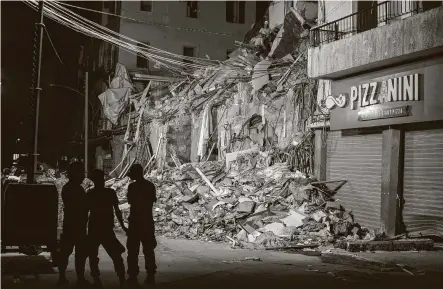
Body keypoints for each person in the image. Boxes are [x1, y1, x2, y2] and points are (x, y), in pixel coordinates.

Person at [87, 169, 127, 289]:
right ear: (103, 179)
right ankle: (122, 280)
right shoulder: (110, 192)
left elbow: (84, 212)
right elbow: (117, 211)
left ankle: (97, 280)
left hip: (94, 227)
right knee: (116, 255)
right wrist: (123, 226)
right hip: (106, 228)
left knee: (93, 255)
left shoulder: (90, 193)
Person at [57, 161, 90, 288]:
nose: (83, 175)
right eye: (81, 172)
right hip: (75, 225)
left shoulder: (70, 188)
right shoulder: (75, 189)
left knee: (68, 252)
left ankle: (64, 277)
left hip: (72, 225)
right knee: (77, 253)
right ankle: (77, 278)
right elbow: (82, 206)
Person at [126, 164, 157, 287]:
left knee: (132, 251)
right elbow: (152, 201)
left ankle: (133, 276)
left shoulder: (132, 187)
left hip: (135, 222)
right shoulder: (150, 186)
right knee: (149, 250)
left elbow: (130, 201)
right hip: (147, 221)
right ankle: (151, 275)